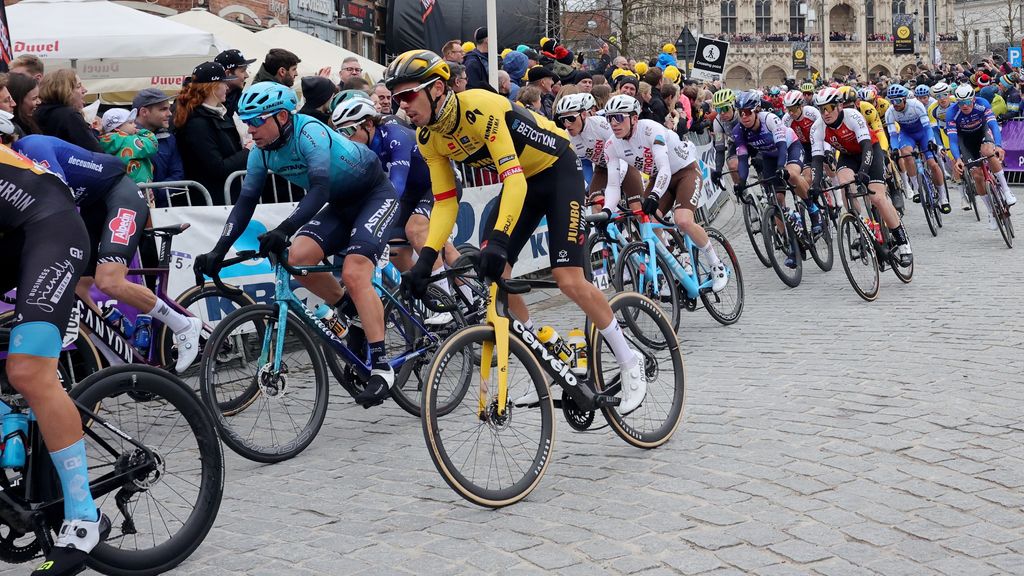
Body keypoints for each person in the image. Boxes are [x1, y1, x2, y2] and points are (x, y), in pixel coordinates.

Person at [385, 49, 649, 413]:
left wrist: (500, 240)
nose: (402, 106)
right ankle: (542, 360)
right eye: (397, 98)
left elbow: (512, 181)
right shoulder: (429, 138)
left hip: (557, 172)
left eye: (408, 95)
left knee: (568, 278)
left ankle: (629, 359)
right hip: (524, 180)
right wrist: (425, 260)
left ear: (438, 88)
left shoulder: (479, 107)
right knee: (499, 279)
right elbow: (445, 202)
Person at [194, 82, 401, 408]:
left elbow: (318, 190)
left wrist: (285, 227)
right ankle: (349, 317)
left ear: (280, 117)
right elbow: (245, 202)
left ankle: (382, 366)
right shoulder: (260, 152)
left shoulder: (310, 133)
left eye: (256, 121)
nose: (249, 129)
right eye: (245, 121)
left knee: (355, 271)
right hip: (341, 206)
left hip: (374, 195)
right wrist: (218, 250)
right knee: (294, 259)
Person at [7, 132, 203, 375]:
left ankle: (184, 325)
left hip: (119, 195)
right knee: (76, 288)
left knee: (109, 280)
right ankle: (119, 360)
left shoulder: (32, 148)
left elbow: (59, 198)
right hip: (92, 208)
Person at [0, 135, 108, 576]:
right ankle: (13, 426)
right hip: (14, 234)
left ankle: (83, 517)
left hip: (53, 230)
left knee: (28, 370)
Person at [330, 96, 456, 324]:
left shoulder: (394, 137)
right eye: (339, 132)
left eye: (348, 130)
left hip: (438, 183)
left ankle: (448, 304)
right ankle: (426, 296)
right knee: (397, 249)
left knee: (416, 230)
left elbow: (396, 185)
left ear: (368, 124)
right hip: (411, 192)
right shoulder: (356, 148)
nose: (344, 138)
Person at [602, 94, 729, 291]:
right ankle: (673, 266)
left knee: (683, 220)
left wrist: (654, 195)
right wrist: (607, 212)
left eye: (618, 117)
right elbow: (612, 185)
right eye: (609, 118)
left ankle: (716, 265)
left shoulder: (651, 129)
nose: (613, 123)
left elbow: (664, 168)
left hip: (684, 172)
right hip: (659, 178)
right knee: (649, 223)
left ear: (634, 118)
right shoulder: (611, 144)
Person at [811, 87, 913, 266]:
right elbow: (817, 160)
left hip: (870, 151)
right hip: (847, 156)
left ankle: (903, 242)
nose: (825, 113)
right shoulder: (817, 127)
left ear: (839, 106)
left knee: (878, 198)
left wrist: (864, 171)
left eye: (829, 108)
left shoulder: (853, 116)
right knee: (844, 184)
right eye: (821, 109)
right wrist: (815, 183)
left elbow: (866, 146)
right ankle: (860, 226)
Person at [733, 91, 816, 268]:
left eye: (747, 112)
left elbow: (781, 146)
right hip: (769, 157)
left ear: (756, 110)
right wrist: (741, 183)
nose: (744, 116)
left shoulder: (769, 119)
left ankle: (812, 208)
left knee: (792, 175)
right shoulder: (738, 131)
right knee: (777, 202)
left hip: (789, 147)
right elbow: (742, 160)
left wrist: (781, 168)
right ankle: (792, 246)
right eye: (740, 113)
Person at [555, 92, 643, 215]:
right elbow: (569, 170)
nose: (567, 124)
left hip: (625, 163)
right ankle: (607, 234)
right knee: (596, 205)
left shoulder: (601, 125)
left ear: (584, 114)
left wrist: (614, 183)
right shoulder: (567, 138)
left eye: (571, 118)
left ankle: (657, 234)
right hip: (602, 169)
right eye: (562, 120)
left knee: (637, 209)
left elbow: (621, 151)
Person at [174, 62, 249, 205]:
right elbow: (217, 167)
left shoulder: (220, 114)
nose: (227, 87)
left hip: (226, 196)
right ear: (213, 87)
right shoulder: (197, 123)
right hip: (211, 202)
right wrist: (247, 151)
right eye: (224, 83)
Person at [947, 84, 1018, 230]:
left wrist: (998, 145)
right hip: (966, 140)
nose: (964, 106)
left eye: (967, 102)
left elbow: (992, 125)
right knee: (977, 175)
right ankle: (991, 212)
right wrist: (957, 158)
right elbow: (953, 140)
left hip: (982, 132)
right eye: (961, 103)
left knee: (988, 151)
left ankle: (1005, 190)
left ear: (973, 99)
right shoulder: (952, 112)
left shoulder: (982, 104)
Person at [884, 84, 949, 213]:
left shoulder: (916, 105)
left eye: (897, 100)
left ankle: (943, 197)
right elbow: (893, 135)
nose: (894, 104)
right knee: (906, 154)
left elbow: (927, 127)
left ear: (904, 99)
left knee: (933, 164)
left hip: (923, 134)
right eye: (892, 101)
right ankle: (916, 186)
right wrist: (895, 148)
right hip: (907, 135)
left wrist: (931, 141)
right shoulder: (890, 112)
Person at [133, 88, 183, 207]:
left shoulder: (168, 138)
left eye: (168, 108)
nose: (170, 113)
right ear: (144, 112)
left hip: (162, 209)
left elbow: (177, 174)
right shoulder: (125, 138)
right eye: (163, 109)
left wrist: (154, 192)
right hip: (134, 207)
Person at [34, 69, 100, 152]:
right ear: (64, 91)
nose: (85, 90)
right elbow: (95, 151)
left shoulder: (38, 112)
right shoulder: (70, 115)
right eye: (78, 86)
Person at [98, 108, 159, 185]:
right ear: (117, 128)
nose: (135, 125)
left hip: (121, 186)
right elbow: (152, 145)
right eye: (130, 123)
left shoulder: (104, 141)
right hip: (139, 185)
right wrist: (143, 132)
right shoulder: (129, 140)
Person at [215, 48, 256, 117]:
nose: (247, 75)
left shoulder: (236, 94)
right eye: (243, 71)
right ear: (228, 74)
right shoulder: (206, 100)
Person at [7, 71, 40, 135]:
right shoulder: (12, 131)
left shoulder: (31, 120)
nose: (39, 102)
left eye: (38, 97)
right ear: (16, 99)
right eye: (34, 98)